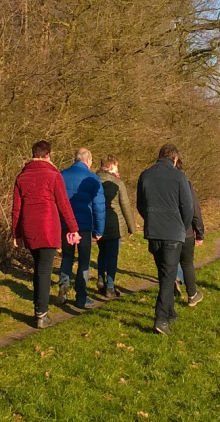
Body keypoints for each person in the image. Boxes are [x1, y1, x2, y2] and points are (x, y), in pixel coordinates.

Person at [11, 140, 82, 329]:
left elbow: (16, 209)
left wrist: (16, 234)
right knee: (44, 270)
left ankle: (39, 310)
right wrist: (74, 228)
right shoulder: (53, 175)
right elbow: (63, 204)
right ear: (48, 155)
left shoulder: (21, 177)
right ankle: (41, 314)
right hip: (48, 227)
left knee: (39, 268)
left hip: (29, 227)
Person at [136, 144, 194, 334]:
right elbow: (188, 208)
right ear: (175, 159)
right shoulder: (179, 177)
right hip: (172, 232)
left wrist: (151, 219)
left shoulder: (145, 175)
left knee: (164, 275)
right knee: (168, 276)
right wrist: (182, 226)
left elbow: (140, 205)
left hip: (153, 231)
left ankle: (170, 313)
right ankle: (161, 319)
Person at [58, 148, 106, 310]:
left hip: (66, 225)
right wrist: (99, 230)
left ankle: (64, 285)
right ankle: (81, 297)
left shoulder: (61, 175)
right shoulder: (93, 179)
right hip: (84, 226)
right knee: (84, 261)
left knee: (67, 256)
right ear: (88, 160)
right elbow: (99, 206)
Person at [96, 155, 137, 299]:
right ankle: (110, 287)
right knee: (112, 256)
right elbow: (125, 206)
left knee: (102, 253)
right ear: (112, 166)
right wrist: (132, 227)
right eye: (117, 166)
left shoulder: (93, 180)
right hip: (114, 225)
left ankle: (100, 279)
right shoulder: (118, 183)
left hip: (97, 224)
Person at [175, 157, 205, 307]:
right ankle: (192, 294)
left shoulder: (159, 184)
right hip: (185, 231)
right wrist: (199, 232)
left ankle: (173, 281)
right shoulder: (186, 185)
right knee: (187, 264)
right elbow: (195, 211)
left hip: (165, 231)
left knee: (169, 263)